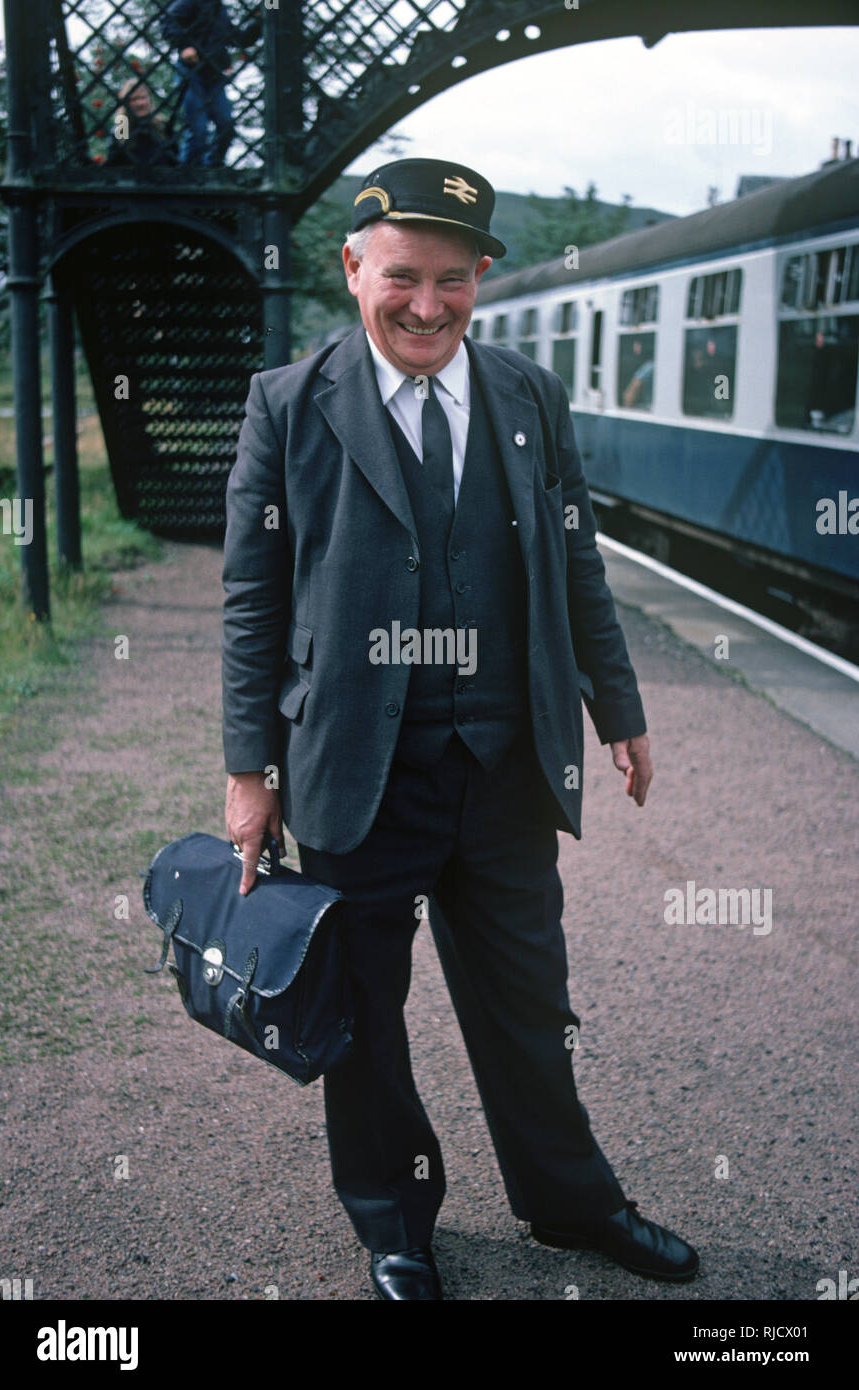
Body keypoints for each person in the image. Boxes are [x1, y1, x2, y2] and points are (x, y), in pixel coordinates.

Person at [221, 158, 700, 1300]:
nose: (425, 305)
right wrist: (248, 770)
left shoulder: (529, 398)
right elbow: (252, 600)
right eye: (401, 278)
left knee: (530, 1006)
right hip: (353, 770)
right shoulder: (286, 405)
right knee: (365, 1022)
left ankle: (572, 1204)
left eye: (451, 280)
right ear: (352, 269)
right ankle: (395, 1224)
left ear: (480, 276)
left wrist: (617, 709)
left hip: (503, 770)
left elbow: (576, 563)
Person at [160, 0, 262, 167]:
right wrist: (184, 46)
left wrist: (259, 21)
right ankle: (189, 173)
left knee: (226, 127)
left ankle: (211, 167)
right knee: (198, 128)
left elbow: (238, 39)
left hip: (213, 73)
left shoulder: (219, 8)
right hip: (192, 71)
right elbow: (168, 20)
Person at [106, 79, 178, 168]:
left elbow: (175, 160)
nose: (140, 103)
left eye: (143, 97)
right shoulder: (120, 131)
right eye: (134, 99)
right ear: (127, 103)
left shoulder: (163, 126)